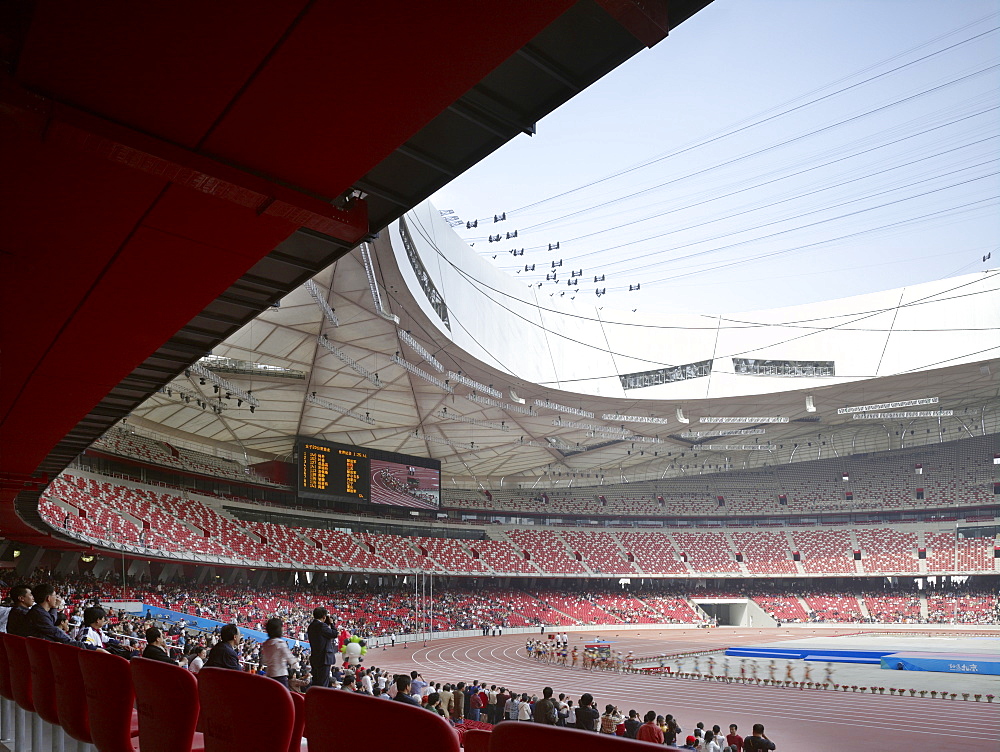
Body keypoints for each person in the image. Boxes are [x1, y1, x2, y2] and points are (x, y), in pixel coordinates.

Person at [26, 584, 105, 651]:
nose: (57, 598)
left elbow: (51, 621)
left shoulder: (39, 611)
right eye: (55, 595)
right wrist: (74, 642)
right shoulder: (38, 613)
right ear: (48, 598)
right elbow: (54, 631)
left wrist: (55, 607)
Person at [261, 617, 300, 687]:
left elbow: (264, 660)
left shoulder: (265, 644)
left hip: (269, 675)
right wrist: (297, 665)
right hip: (280, 676)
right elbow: (290, 658)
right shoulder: (280, 643)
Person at [307, 607, 337, 688]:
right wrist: (331, 623)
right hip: (324, 658)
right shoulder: (322, 626)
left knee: (316, 681)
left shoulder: (311, 626)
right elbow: (334, 634)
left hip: (315, 657)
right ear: (324, 616)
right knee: (323, 683)